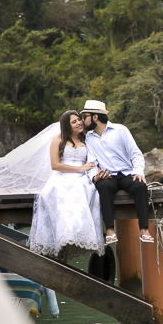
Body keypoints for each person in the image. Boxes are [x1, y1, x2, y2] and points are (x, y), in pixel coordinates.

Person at [29, 110, 105, 261]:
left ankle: (80, 234)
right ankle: (65, 236)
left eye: (79, 120)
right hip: (63, 175)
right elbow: (55, 165)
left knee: (89, 190)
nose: (79, 123)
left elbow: (94, 159)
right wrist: (78, 169)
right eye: (74, 121)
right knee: (62, 190)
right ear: (66, 125)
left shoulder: (87, 140)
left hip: (82, 177)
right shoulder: (57, 139)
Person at [80, 100, 153, 244]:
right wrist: (96, 176)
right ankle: (110, 230)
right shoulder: (89, 138)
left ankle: (144, 230)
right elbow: (91, 162)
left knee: (140, 186)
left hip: (126, 174)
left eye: (85, 116)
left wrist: (138, 172)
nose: (83, 121)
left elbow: (135, 154)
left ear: (95, 117)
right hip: (108, 176)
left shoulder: (121, 130)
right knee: (103, 186)